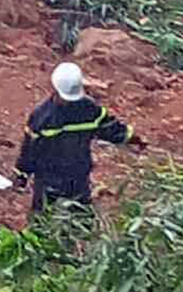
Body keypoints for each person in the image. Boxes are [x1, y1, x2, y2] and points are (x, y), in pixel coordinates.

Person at [14, 62, 146, 213]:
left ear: (55, 88)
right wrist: (22, 174)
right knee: (53, 217)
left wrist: (132, 138)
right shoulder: (84, 109)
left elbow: (110, 128)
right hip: (57, 178)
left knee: (60, 218)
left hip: (71, 177)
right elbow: (30, 150)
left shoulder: (45, 116)